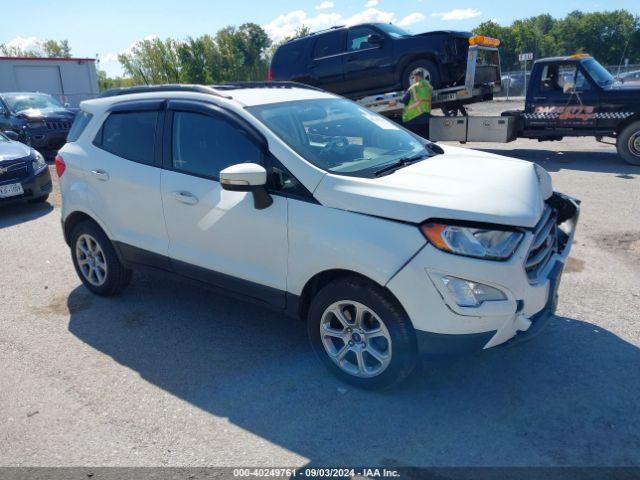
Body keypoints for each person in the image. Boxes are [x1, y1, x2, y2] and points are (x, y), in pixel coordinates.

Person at [402, 70, 433, 139]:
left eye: (414, 77)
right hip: (426, 117)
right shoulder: (429, 87)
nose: (413, 79)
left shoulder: (413, 87)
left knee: (415, 140)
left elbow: (404, 101)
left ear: (417, 77)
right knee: (426, 140)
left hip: (413, 119)